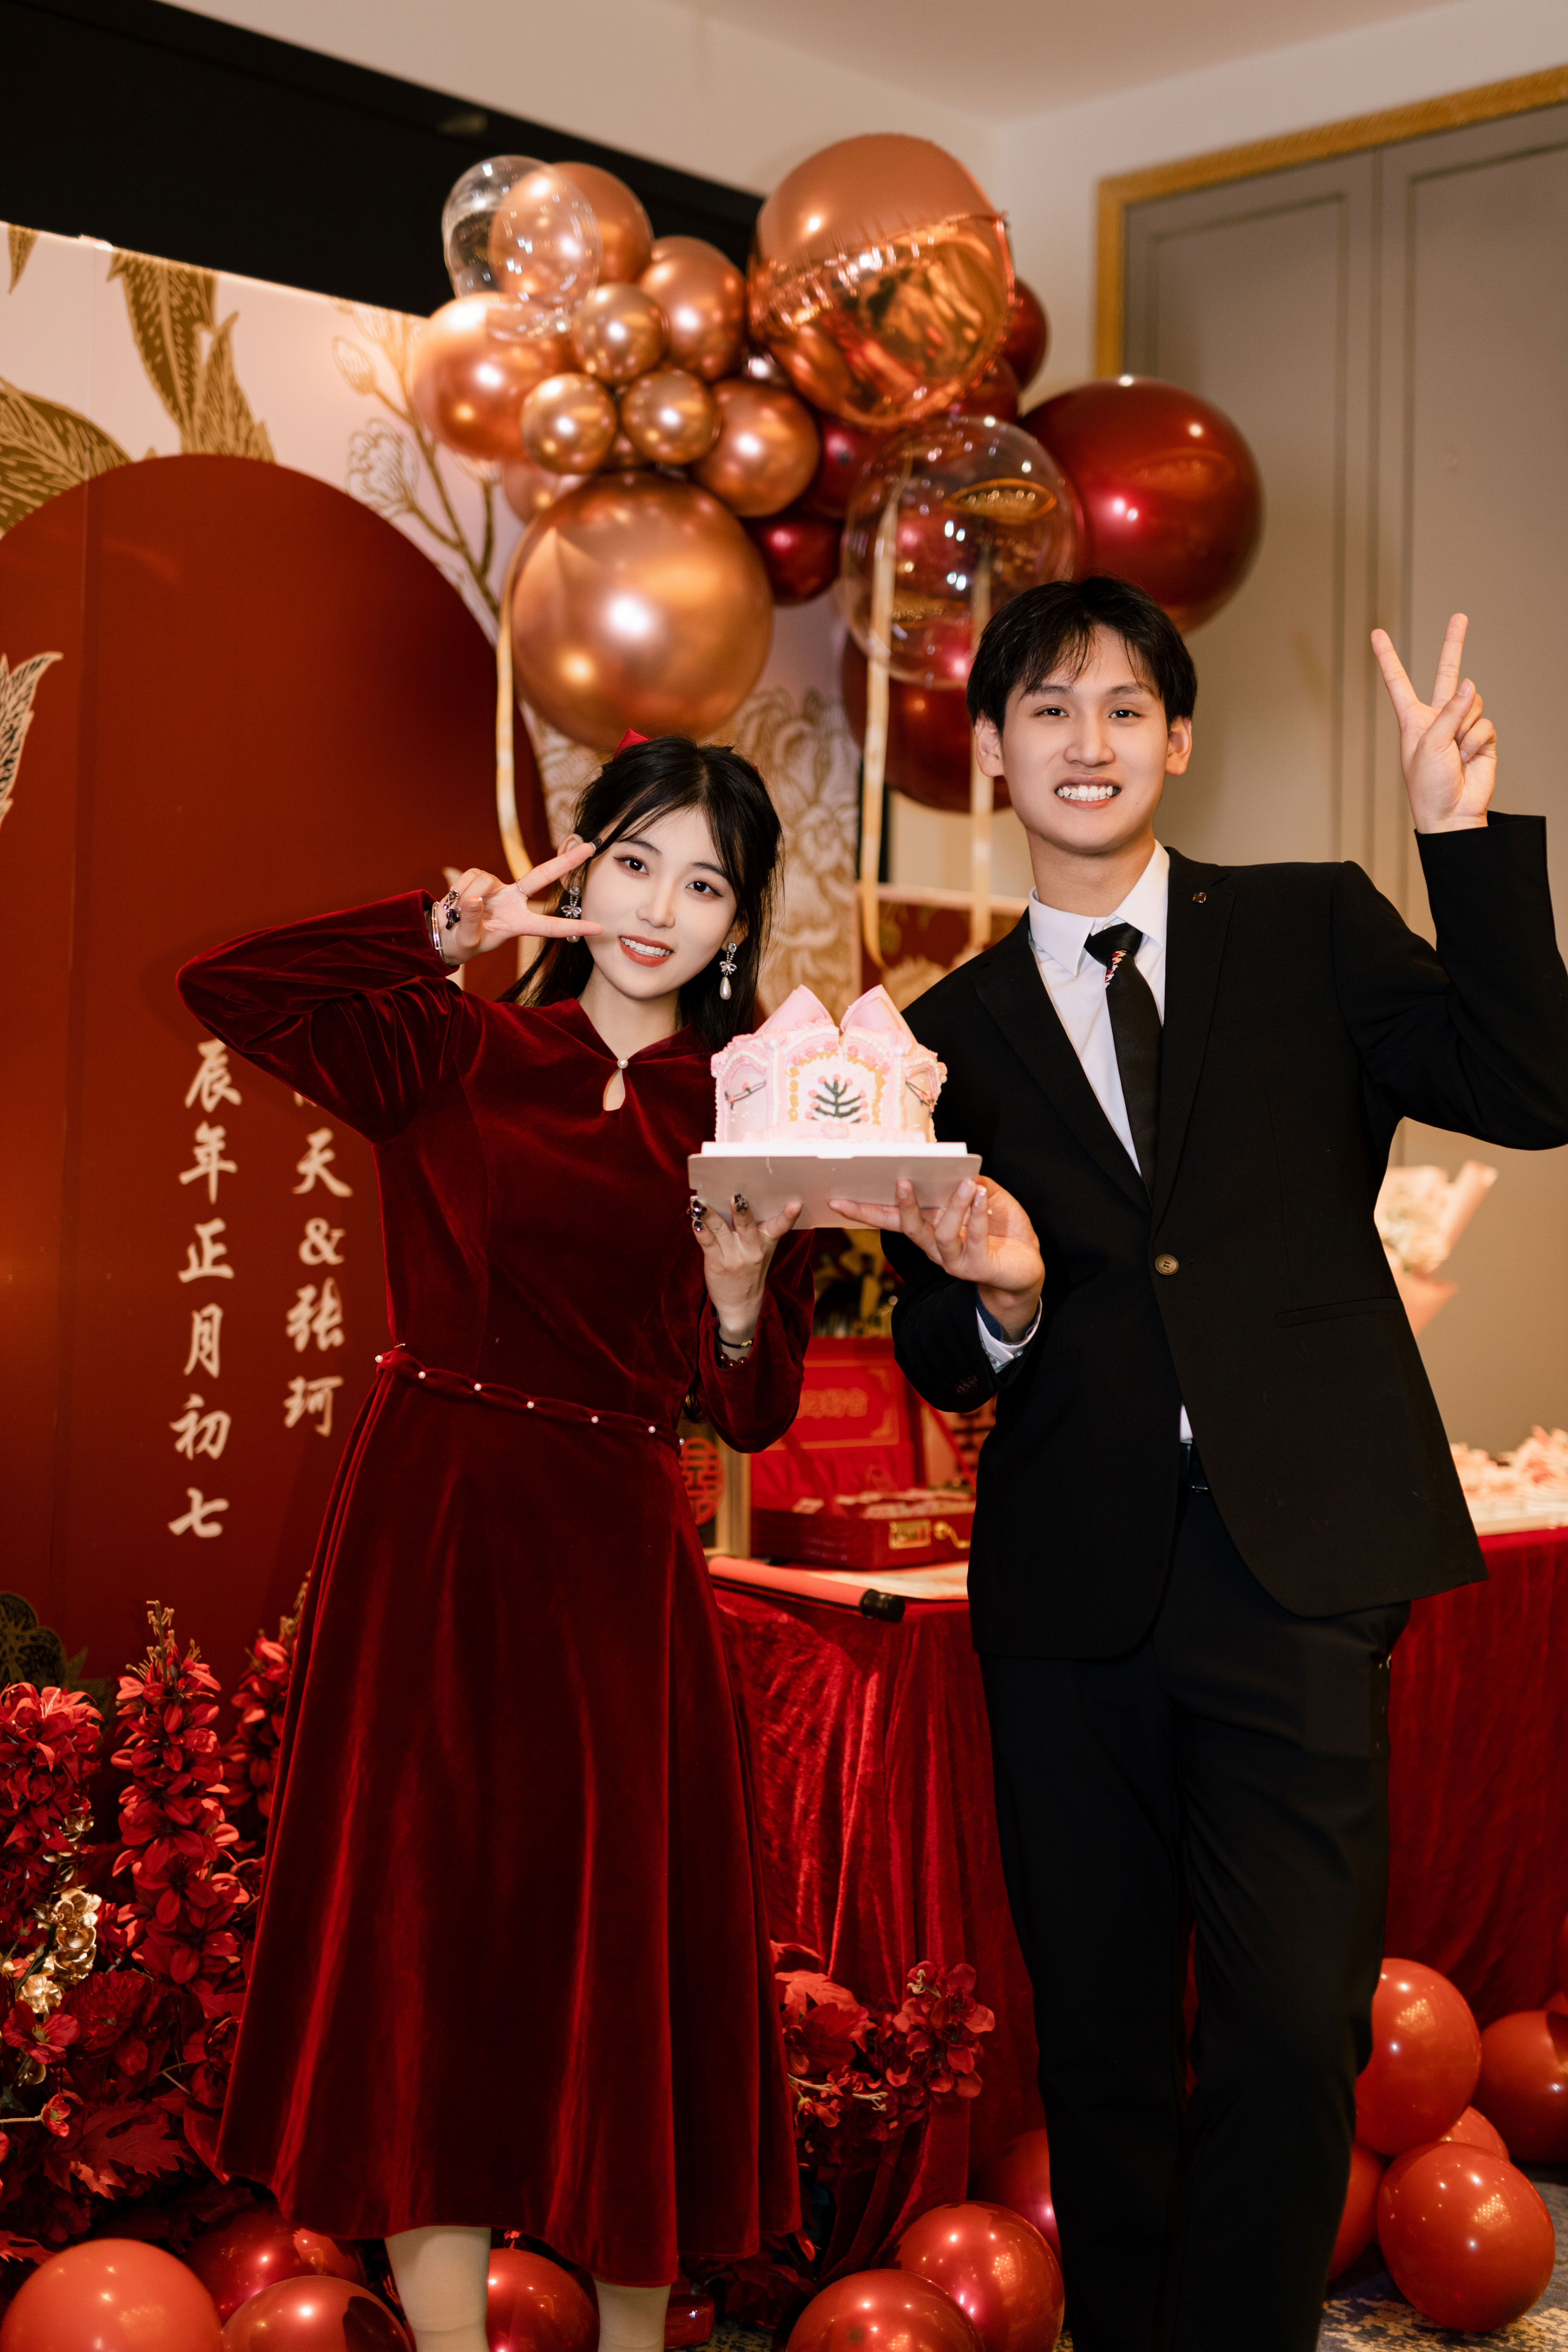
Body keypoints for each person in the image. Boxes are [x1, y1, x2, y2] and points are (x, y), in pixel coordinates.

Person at [832, 578, 1568, 2352]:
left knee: (1293, 2027)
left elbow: (1532, 1087)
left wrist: (1457, 843)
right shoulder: (941, 1035)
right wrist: (1002, 1305)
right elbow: (924, 1345)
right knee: (1098, 2039)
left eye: (1120, 709)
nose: (1084, 743)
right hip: (1070, 1592)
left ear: (1175, 739)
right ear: (992, 754)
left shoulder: (1308, 925)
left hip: (1295, 1570)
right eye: (1046, 710)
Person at [178, 736, 810, 2352]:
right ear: (577, 866)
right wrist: (435, 934)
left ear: (738, 924)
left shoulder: (750, 1117)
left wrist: (740, 1292)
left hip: (615, 1560)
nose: (659, 907)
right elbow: (227, 989)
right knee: (430, 1948)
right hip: (434, 1535)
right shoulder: (455, 1046)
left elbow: (751, 1412)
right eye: (634, 862)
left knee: (625, 1958)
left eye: (704, 883)